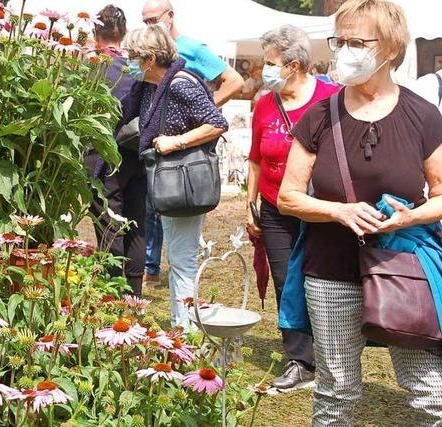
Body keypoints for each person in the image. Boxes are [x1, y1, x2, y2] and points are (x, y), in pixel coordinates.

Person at [277, 0, 442, 425]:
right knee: (336, 392)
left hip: (401, 267)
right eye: (340, 40)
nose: (344, 50)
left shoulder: (422, 116)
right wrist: (338, 210)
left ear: (389, 48)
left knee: (430, 392)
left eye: (357, 41)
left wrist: (407, 218)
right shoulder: (318, 117)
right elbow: (288, 198)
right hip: (330, 270)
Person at [246, 25, 340, 391]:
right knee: (287, 281)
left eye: (271, 63)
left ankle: (332, 353)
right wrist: (250, 202)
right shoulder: (265, 102)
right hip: (274, 205)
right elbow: (255, 158)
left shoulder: (331, 98)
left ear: (295, 65)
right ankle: (299, 360)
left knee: (323, 281)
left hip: (319, 207)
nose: (264, 69)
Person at [122, 25, 228, 328]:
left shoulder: (181, 84)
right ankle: (180, 323)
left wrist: (176, 141)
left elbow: (216, 122)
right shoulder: (150, 86)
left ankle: (187, 332)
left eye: (132, 56)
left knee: (182, 261)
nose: (129, 61)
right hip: (167, 182)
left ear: (150, 58)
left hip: (185, 183)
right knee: (178, 259)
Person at [140, 0, 244, 287]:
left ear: (170, 16)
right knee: (159, 221)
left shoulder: (192, 50)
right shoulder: (149, 64)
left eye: (153, 20)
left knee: (181, 246)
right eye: (145, 20)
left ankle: (183, 316)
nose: (149, 25)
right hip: (159, 158)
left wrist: (202, 111)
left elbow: (234, 81)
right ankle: (152, 268)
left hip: (183, 158)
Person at [84, 5, 146, 296]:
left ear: (95, 32)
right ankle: (134, 295)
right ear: (123, 33)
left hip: (101, 160)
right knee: (136, 224)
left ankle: (110, 293)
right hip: (137, 154)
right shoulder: (137, 68)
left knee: (109, 227)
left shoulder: (90, 67)